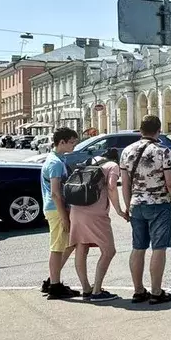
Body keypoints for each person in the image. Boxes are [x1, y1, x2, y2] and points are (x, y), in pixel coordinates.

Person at [120, 115, 171, 304]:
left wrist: (128, 205)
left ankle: (138, 290)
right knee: (159, 248)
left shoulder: (127, 151)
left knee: (138, 247)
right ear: (158, 131)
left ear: (140, 130)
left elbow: (125, 183)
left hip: (136, 205)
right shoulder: (163, 152)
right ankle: (156, 292)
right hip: (159, 205)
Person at [69, 147, 125, 302]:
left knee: (81, 247)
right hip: (96, 214)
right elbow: (112, 187)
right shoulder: (112, 166)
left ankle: (86, 289)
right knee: (109, 251)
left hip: (76, 210)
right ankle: (97, 291)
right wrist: (119, 210)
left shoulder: (88, 162)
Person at [40, 127, 81, 299]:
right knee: (57, 247)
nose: (74, 146)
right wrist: (64, 216)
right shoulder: (56, 163)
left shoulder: (54, 159)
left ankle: (52, 280)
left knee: (69, 244)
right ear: (62, 142)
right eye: (72, 142)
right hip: (56, 209)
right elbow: (56, 192)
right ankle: (54, 286)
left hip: (53, 208)